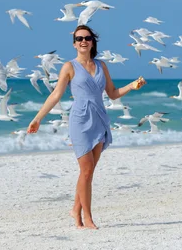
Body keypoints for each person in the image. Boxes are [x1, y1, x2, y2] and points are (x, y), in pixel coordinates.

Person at [27, 25, 146, 229]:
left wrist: (132, 86)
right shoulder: (69, 67)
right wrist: (38, 118)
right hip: (80, 120)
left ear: (92, 42)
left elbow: (113, 93)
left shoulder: (102, 65)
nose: (83, 41)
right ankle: (87, 217)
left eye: (87, 38)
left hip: (99, 119)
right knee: (87, 170)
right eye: (79, 38)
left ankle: (75, 209)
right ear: (74, 43)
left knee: (88, 173)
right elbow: (56, 95)